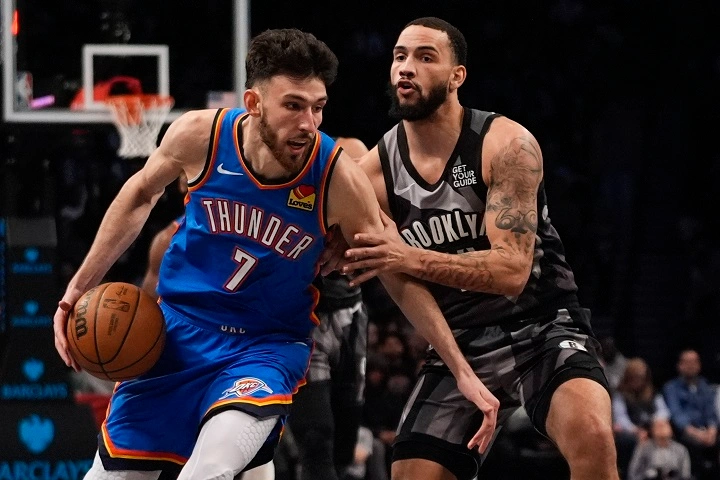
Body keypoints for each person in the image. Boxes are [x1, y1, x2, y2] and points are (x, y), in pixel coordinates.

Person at [52, 27, 499, 480]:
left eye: (318, 107)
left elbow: (394, 273)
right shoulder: (201, 136)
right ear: (253, 103)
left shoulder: (335, 178)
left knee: (207, 472)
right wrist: (76, 289)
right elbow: (139, 195)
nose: (309, 123)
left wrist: (460, 369)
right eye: (293, 106)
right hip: (177, 333)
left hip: (264, 347)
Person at [334, 17, 618, 480]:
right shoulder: (375, 173)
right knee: (409, 474)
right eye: (400, 56)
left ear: (456, 76)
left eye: (425, 57)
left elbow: (511, 272)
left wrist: (410, 256)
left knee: (593, 434)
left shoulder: (505, 143)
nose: (407, 67)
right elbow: (382, 271)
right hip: (459, 341)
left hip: (541, 326)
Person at [286, 136, 371, 480]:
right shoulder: (291, 168)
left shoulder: (355, 155)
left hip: (350, 315)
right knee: (315, 437)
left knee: (345, 442)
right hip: (305, 317)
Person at [662, 349, 719, 479]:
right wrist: (697, 433)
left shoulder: (704, 386)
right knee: (693, 445)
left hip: (706, 431)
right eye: (687, 362)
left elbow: (711, 412)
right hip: (685, 432)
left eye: (694, 362)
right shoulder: (671, 387)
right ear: (679, 365)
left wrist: (712, 430)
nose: (691, 365)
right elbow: (677, 415)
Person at [613, 357, 671, 478]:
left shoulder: (653, 393)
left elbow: (663, 412)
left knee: (665, 433)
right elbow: (621, 418)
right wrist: (636, 431)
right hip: (631, 432)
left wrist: (656, 424)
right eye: (634, 377)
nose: (638, 381)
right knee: (628, 441)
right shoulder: (621, 394)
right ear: (628, 377)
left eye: (640, 377)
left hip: (651, 429)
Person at [627, 417, 691, 480]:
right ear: (652, 430)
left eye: (664, 425)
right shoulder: (644, 448)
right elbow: (633, 474)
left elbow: (685, 475)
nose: (661, 428)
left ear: (671, 429)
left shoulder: (681, 450)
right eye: (658, 426)